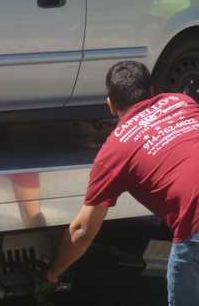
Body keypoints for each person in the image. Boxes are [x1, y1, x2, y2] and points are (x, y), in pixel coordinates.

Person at [43, 61, 199, 305]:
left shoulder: (115, 150)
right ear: (152, 91)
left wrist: (52, 274)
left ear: (110, 104)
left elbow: (82, 230)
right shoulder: (181, 101)